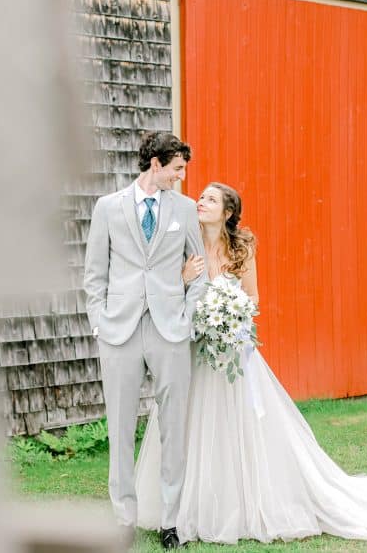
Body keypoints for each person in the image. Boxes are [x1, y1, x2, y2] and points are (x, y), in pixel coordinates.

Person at [134, 182, 367, 544]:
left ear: (228, 213)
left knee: (235, 430)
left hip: (231, 353)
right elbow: (167, 295)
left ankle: (239, 506)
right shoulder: (185, 243)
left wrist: (230, 322)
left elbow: (252, 298)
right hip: (192, 355)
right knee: (189, 427)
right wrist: (186, 283)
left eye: (211, 199)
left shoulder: (241, 249)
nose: (201, 202)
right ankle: (183, 509)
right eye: (200, 197)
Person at [83, 132, 207, 549]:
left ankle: (170, 521)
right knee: (119, 426)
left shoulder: (185, 209)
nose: (182, 176)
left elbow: (200, 270)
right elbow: (94, 273)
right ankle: (123, 519)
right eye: (177, 168)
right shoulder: (108, 208)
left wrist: (188, 317)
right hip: (118, 331)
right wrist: (99, 321)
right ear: (155, 164)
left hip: (170, 329)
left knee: (173, 425)